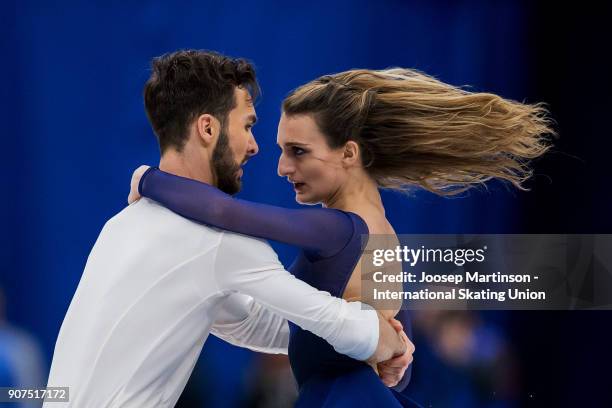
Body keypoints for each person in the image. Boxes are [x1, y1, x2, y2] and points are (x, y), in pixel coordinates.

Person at [128, 66, 554, 406]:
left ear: (349, 153)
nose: (281, 168)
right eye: (280, 150)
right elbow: (396, 338)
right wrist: (395, 351)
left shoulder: (339, 229)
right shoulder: (380, 230)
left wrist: (149, 180)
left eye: (297, 151)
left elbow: (226, 212)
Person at [44, 51, 411, 408]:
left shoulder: (120, 225)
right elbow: (336, 323)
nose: (254, 147)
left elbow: (251, 324)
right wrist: (388, 342)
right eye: (248, 125)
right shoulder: (217, 241)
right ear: (207, 128)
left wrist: (147, 178)